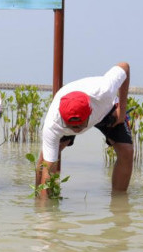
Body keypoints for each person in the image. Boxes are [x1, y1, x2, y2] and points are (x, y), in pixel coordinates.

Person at [36, 62, 133, 197]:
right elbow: (48, 169)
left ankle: (119, 200)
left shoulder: (105, 89)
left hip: (106, 110)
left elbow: (124, 66)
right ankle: (38, 196)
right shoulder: (53, 124)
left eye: (80, 126)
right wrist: (44, 215)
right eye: (72, 127)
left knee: (126, 151)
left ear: (90, 113)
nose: (76, 130)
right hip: (68, 113)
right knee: (46, 161)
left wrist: (121, 110)